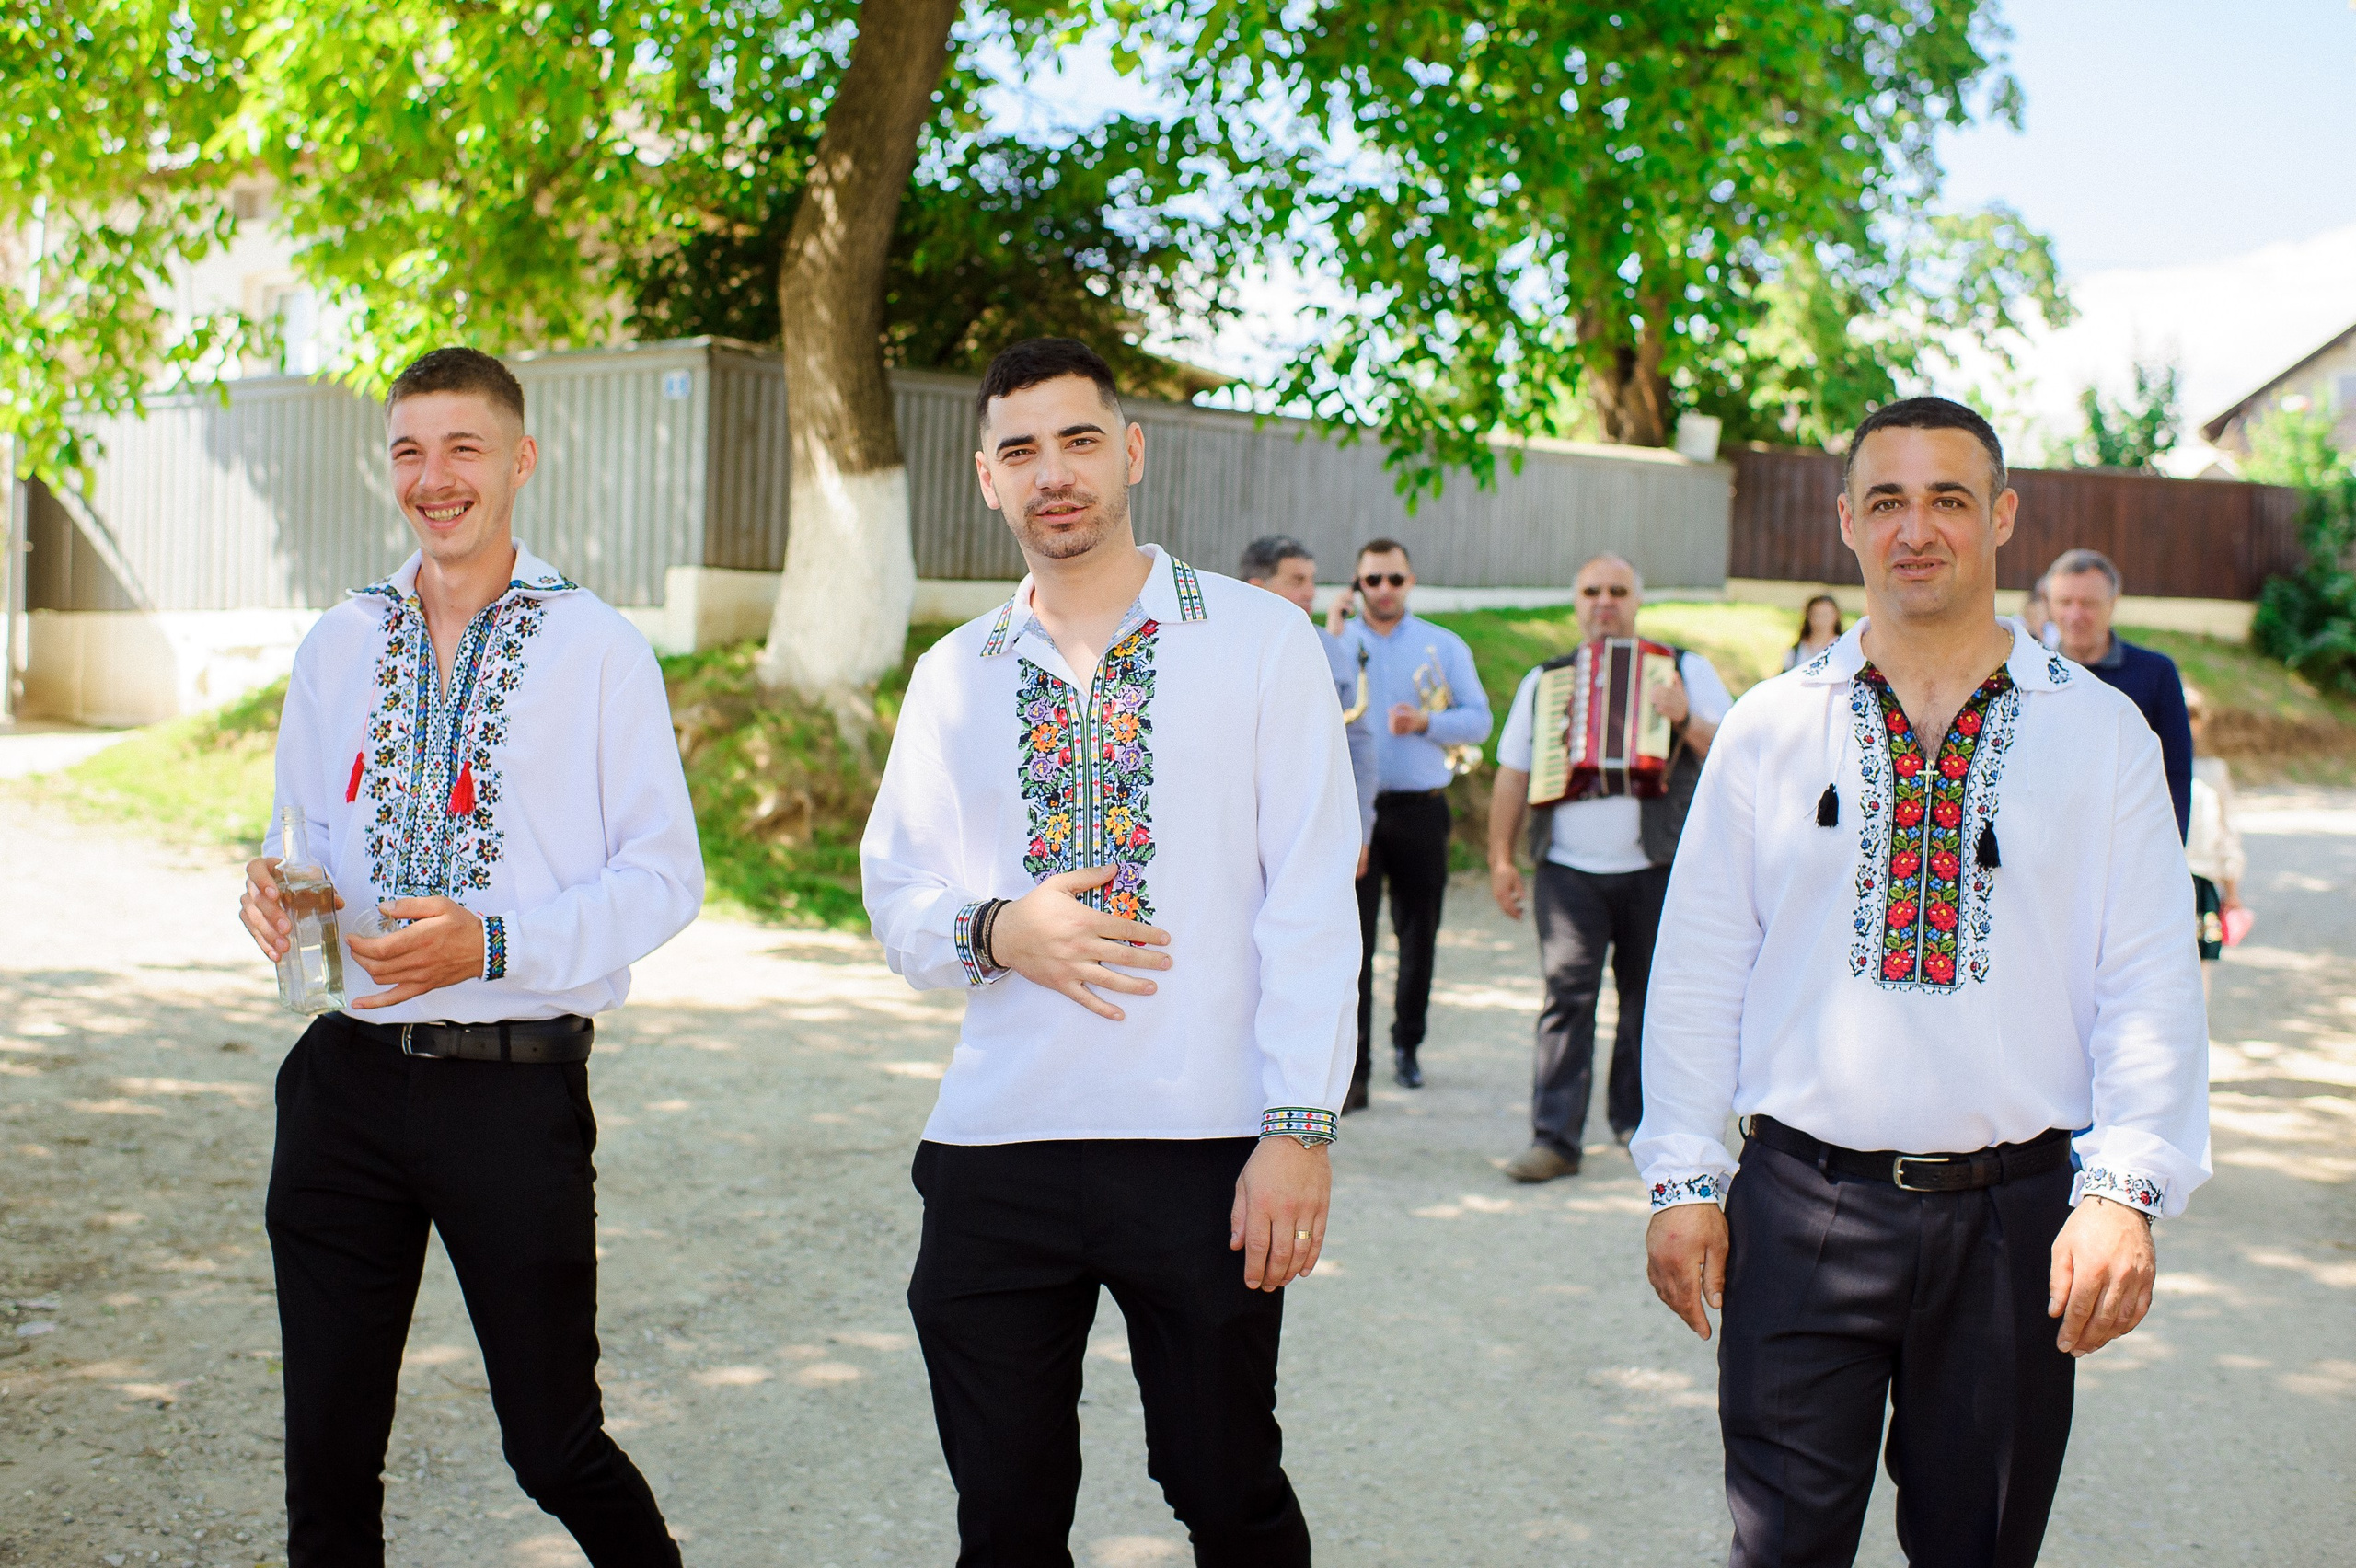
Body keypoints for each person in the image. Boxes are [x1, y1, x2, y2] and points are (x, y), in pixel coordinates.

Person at [1638, 395, 2209, 1568]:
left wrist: (2125, 1189)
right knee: (1779, 1549)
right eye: (1886, 500)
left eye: (1947, 498)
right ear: (1846, 522)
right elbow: (1698, 969)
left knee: (1980, 1548)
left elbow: (2148, 978)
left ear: (1999, 516)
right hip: (1800, 1208)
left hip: (2014, 1224)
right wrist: (1683, 1176)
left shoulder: (2100, 735)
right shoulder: (1766, 726)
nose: (1917, 529)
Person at [861, 338, 1358, 1566]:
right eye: (1021, 451)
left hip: (1200, 1151)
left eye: (1078, 440)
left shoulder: (1257, 642)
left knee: (1227, 1490)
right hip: (994, 1153)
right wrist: (997, 928)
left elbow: (1307, 898)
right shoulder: (953, 673)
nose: (1054, 475)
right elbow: (897, 898)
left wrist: (1296, 1127)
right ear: (987, 479)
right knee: (1007, 1518)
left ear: (1131, 451)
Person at [237, 348, 702, 1567]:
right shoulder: (340, 643)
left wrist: (492, 940)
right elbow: (308, 840)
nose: (433, 478)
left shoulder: (597, 648)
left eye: (463, 448)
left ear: (520, 462)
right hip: (341, 1084)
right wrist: (282, 894)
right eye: (409, 450)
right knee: (326, 1461)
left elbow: (666, 877)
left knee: (553, 1447)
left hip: (512, 1088)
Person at [1487, 553, 1732, 1182]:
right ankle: (1554, 1139)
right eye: (1592, 591)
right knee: (1566, 998)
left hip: (1659, 865)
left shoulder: (1686, 668)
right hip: (1569, 870)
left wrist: (1686, 717)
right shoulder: (1547, 680)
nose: (1605, 602)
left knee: (1647, 998)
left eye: (1618, 590)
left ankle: (1636, 1123)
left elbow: (1736, 755)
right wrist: (1500, 858)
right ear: (1577, 603)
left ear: (1636, 601)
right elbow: (1514, 772)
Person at [1326, 539, 1492, 1093]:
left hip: (1422, 809)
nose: (1384, 590)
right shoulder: (1337, 643)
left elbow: (1480, 721)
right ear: (1356, 585)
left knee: (1419, 935)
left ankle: (1407, 1046)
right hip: (1357, 814)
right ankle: (1357, 1067)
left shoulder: (1442, 646)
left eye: (1394, 579)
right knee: (1355, 944)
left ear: (1411, 581)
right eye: (1372, 580)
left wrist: (1427, 723)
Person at [1240, 534, 1380, 881]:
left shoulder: (1329, 648)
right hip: (1236, 834)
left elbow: (1358, 745)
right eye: (1297, 581)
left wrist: (1360, 828)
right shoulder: (1218, 647)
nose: (1311, 592)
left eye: (1312, 580)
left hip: (1315, 832)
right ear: (1258, 587)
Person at [2046, 548, 2193, 839]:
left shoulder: (2156, 673)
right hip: (2053, 847)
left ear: (2113, 604)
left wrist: (2172, 848)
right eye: (2064, 602)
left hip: (2131, 841)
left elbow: (2175, 771)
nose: (2074, 615)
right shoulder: (2028, 673)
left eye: (2088, 604)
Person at [2183, 685, 2246, 997]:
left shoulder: (2212, 771)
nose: (2185, 721)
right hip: (2156, 876)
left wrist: (2231, 891)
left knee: (2199, 962)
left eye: (2192, 715)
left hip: (2200, 877)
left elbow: (2225, 830)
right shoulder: (2149, 762)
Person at [1783, 593, 1843, 670]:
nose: (1821, 621)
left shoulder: (1844, 647)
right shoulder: (1796, 651)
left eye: (1826, 615)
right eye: (1816, 615)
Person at [2018, 575, 2059, 651]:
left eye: (2046, 597)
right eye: (2039, 596)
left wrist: (2039, 630)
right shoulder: (2018, 624)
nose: (2042, 603)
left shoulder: (2053, 629)